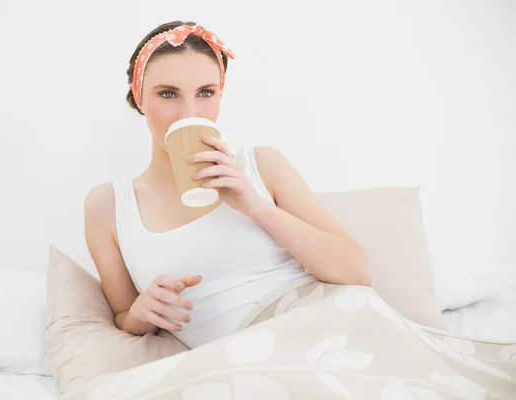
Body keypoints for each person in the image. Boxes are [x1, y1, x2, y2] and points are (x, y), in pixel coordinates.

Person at [84, 20, 371, 349]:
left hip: (325, 325)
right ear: (140, 97)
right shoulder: (107, 206)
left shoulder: (261, 165)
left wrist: (255, 205)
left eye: (205, 93)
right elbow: (124, 314)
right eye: (168, 94)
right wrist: (142, 313)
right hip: (242, 361)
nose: (188, 113)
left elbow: (358, 273)